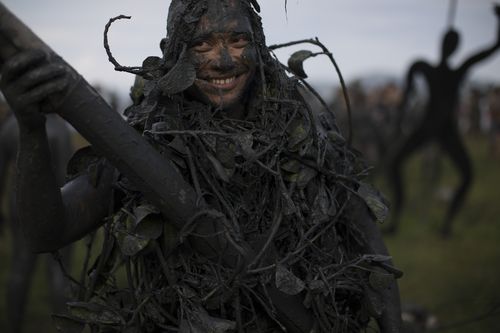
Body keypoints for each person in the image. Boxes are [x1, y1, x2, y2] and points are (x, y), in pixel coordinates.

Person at [0, 1, 401, 332]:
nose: (223, 61)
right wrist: (32, 129)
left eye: (237, 39)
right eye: (203, 44)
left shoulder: (303, 130)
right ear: (175, 51)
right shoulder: (144, 145)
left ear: (258, 46)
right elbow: (45, 232)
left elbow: (368, 244)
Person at [386, 5, 500, 237]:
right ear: (454, 47)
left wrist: (402, 112)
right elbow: (492, 48)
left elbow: (407, 92)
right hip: (438, 128)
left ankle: (413, 222)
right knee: (395, 165)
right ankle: (405, 221)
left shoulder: (427, 68)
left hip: (435, 127)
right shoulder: (437, 69)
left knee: (396, 165)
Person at [0, 112, 74, 333]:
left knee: (20, 268)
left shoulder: (10, 126)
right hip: (56, 205)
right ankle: (66, 328)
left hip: (20, 205)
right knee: (58, 271)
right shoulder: (59, 128)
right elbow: (67, 174)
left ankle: (13, 326)